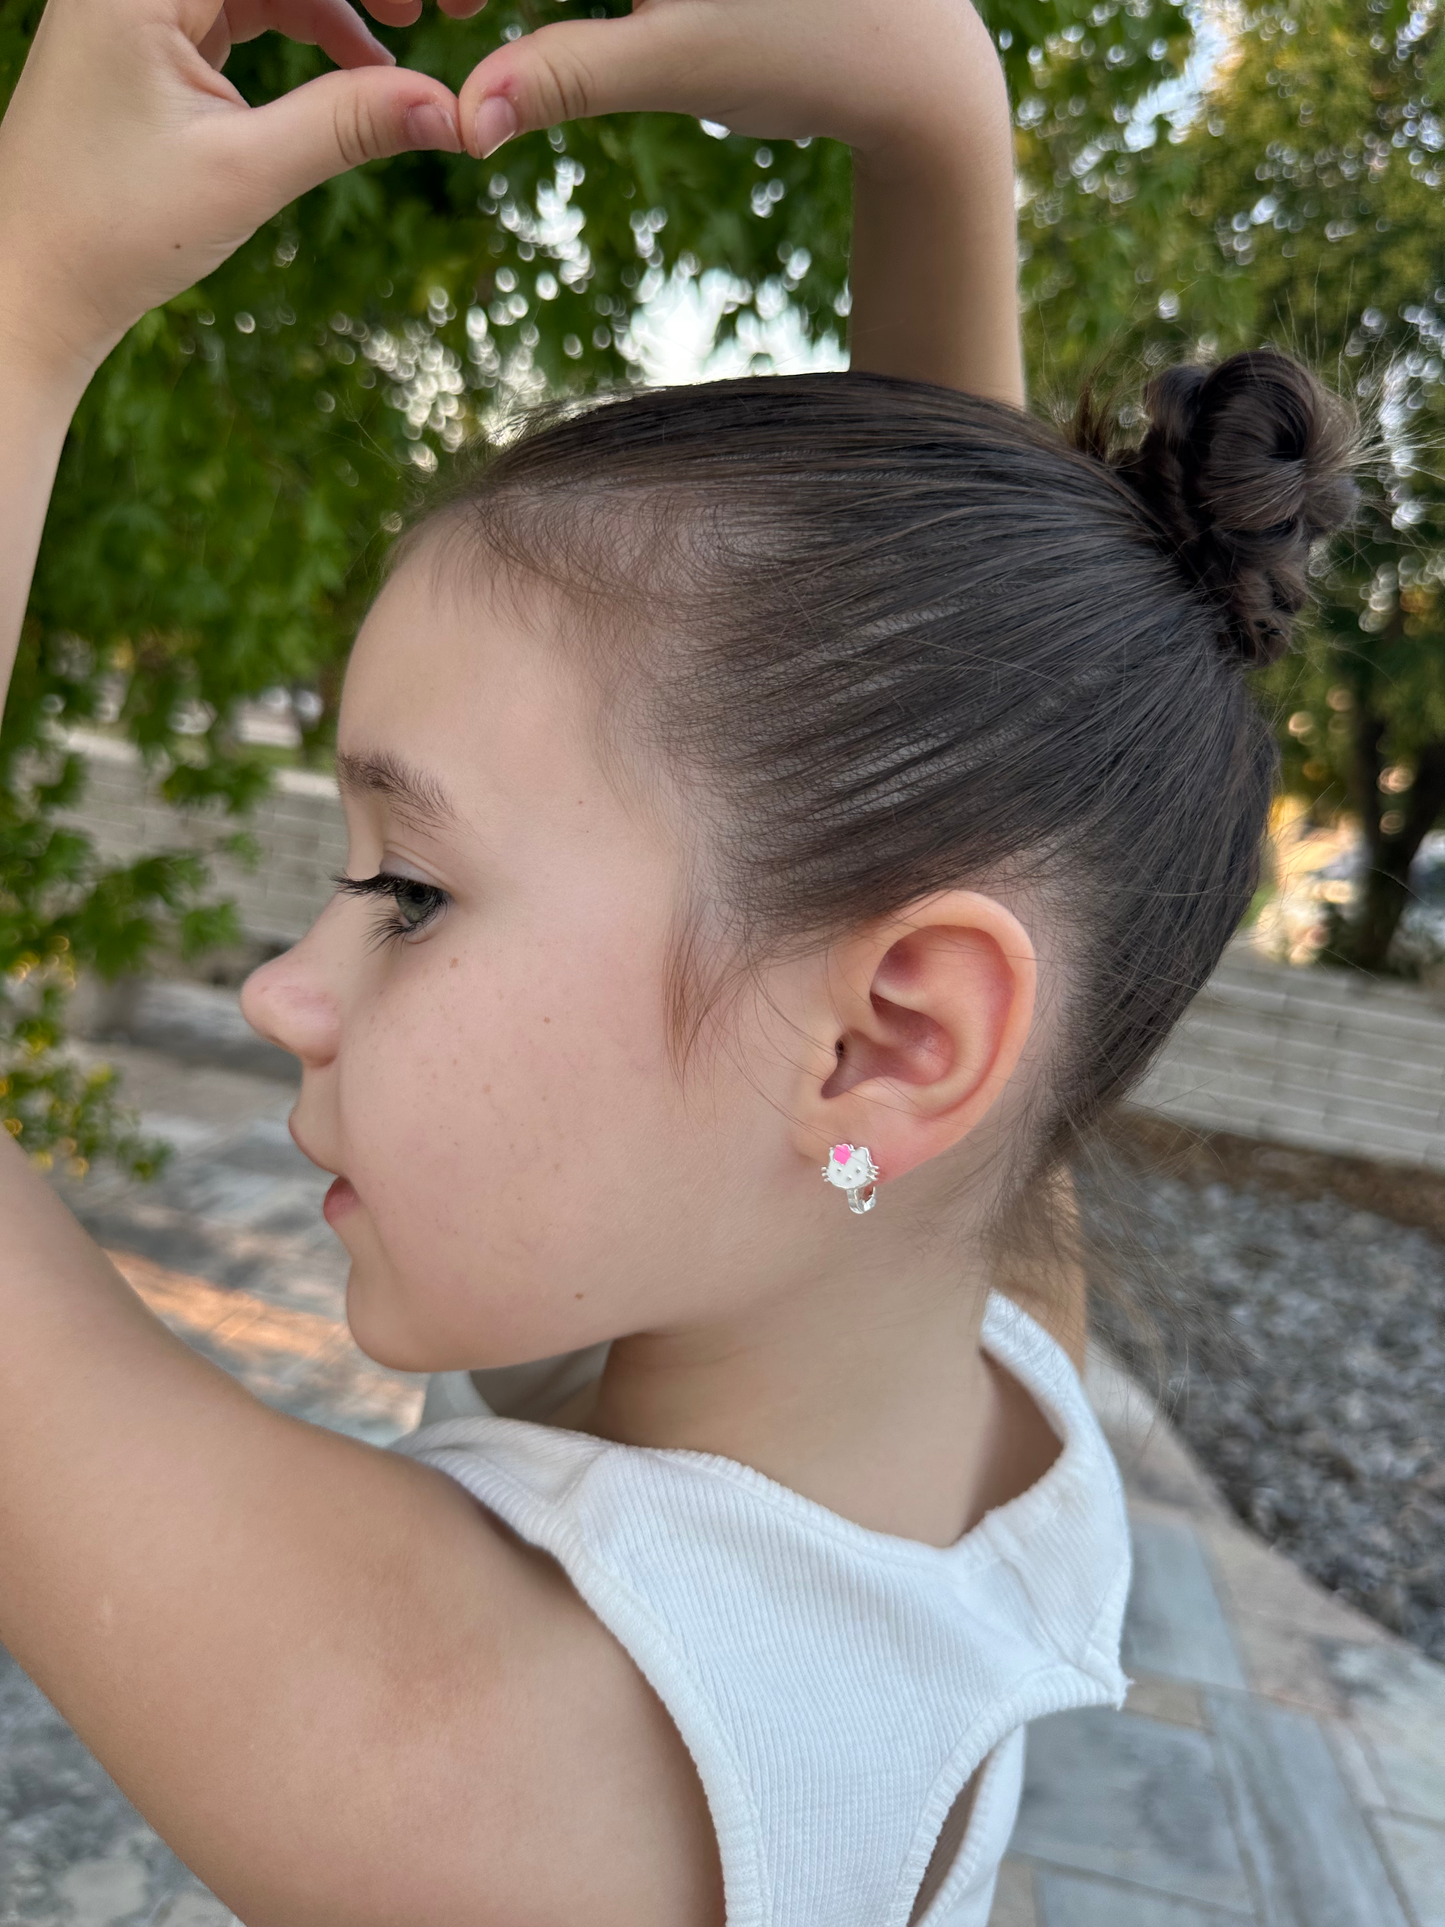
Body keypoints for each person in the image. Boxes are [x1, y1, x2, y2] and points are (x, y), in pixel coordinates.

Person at [0, 3, 1358, 1925]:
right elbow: (986, 758)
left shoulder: (498, 1759)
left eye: (408, 891)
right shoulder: (980, 1356)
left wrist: (33, 276)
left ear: (890, 1038)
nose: (284, 990)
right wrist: (935, 112)